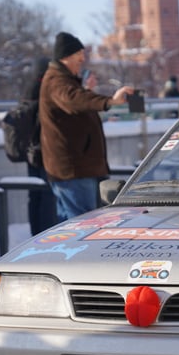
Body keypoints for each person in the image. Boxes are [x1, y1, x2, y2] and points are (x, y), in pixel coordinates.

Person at [39, 32, 133, 222]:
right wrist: (111, 101)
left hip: (78, 167)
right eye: (78, 55)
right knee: (82, 224)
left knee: (75, 222)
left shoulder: (64, 81)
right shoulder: (56, 82)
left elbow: (77, 100)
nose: (83, 59)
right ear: (66, 57)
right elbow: (75, 100)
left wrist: (89, 91)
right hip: (74, 169)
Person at [21, 57, 57, 235]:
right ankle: (44, 233)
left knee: (34, 195)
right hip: (44, 150)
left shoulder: (28, 90)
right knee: (47, 195)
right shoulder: (45, 90)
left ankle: (34, 233)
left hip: (30, 151)